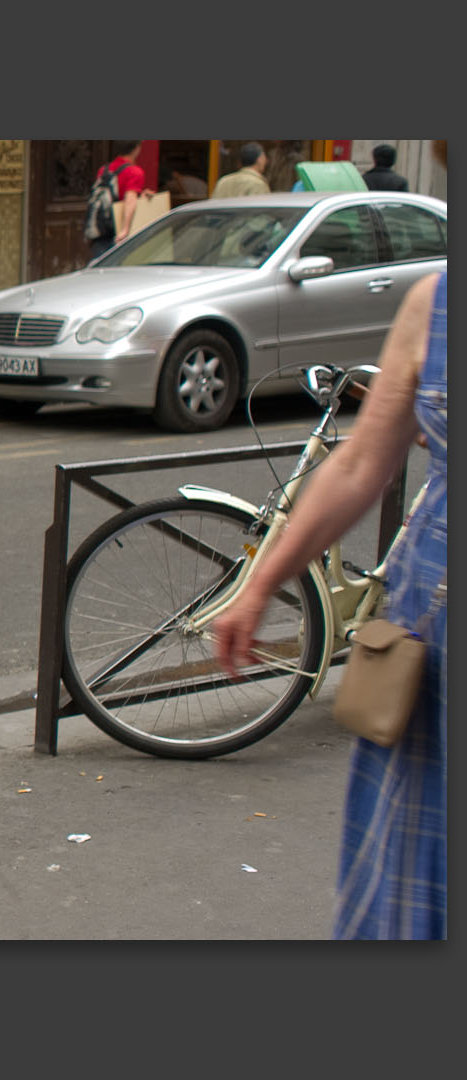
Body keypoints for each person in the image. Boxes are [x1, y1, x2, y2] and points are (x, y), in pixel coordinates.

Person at [214, 147, 446, 939]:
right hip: (436, 626)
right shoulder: (433, 305)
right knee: (420, 854)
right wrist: (259, 585)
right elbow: (360, 466)